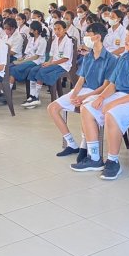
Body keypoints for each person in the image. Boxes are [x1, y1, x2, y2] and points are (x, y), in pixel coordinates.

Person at [76, 22, 129, 177]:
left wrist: (113, 103)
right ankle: (95, 157)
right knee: (87, 108)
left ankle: (112, 161)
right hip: (123, 96)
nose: (126, 41)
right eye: (126, 37)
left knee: (112, 113)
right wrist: (102, 97)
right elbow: (113, 83)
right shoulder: (124, 58)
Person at [48, 23, 117, 161]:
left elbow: (105, 86)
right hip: (84, 90)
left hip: (97, 93)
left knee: (84, 108)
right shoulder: (88, 57)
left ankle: (84, 145)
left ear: (97, 37)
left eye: (88, 35)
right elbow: (81, 80)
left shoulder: (111, 59)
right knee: (53, 108)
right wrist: (74, 94)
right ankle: (71, 144)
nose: (85, 38)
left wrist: (83, 97)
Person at [22, 20, 74, 108]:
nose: (57, 31)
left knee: (42, 71)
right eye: (55, 29)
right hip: (53, 63)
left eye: (59, 29)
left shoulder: (68, 41)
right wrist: (48, 62)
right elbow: (52, 55)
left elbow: (65, 58)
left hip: (63, 65)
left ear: (65, 30)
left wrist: (51, 64)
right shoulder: (55, 40)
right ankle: (32, 96)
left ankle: (36, 97)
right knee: (33, 70)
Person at [9, 21, 47, 97]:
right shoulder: (31, 39)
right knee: (9, 66)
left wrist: (22, 62)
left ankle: (7, 92)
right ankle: (6, 91)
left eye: (31, 30)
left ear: (36, 31)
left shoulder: (42, 41)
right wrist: (21, 58)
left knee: (15, 69)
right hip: (28, 59)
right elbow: (27, 53)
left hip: (36, 61)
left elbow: (36, 57)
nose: (29, 31)